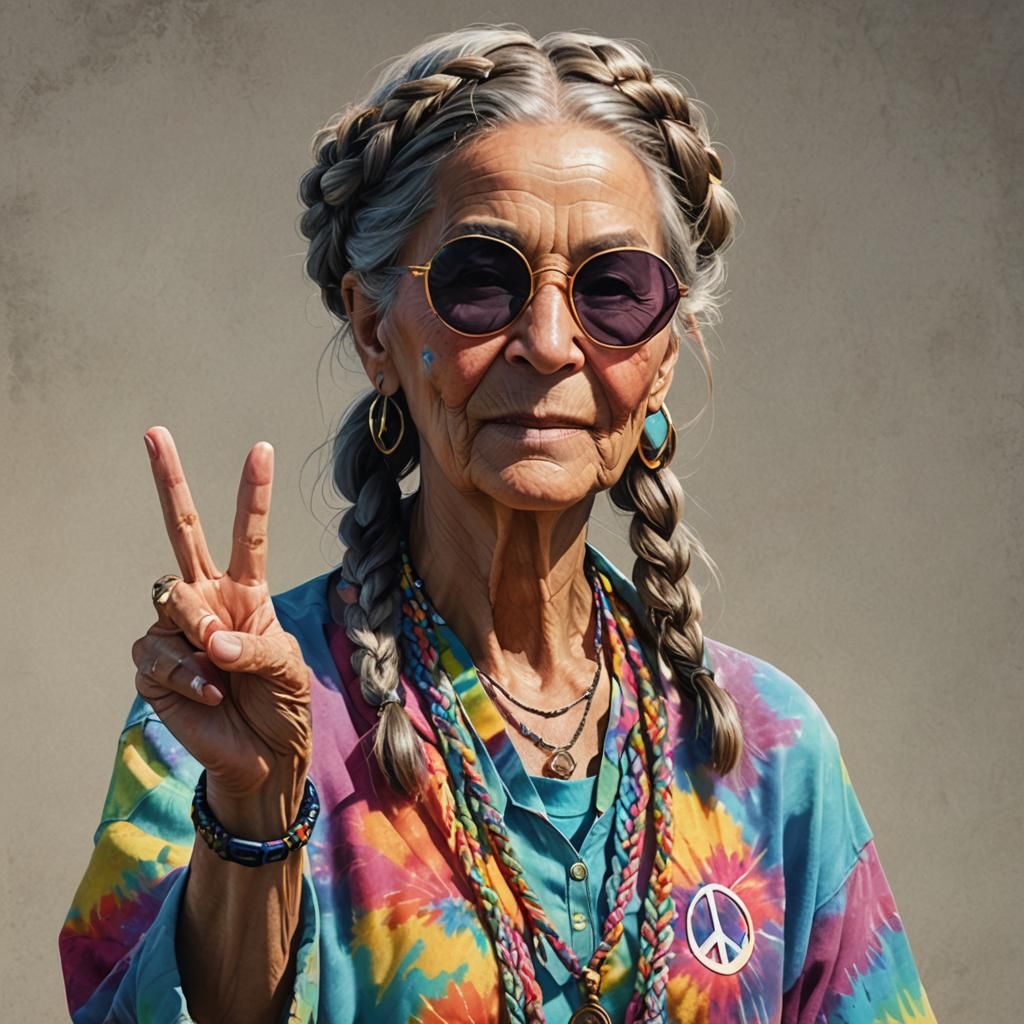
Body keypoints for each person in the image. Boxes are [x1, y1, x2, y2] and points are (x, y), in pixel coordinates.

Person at [58, 23, 938, 1024]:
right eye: (482, 279)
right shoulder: (233, 714)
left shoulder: (765, 752)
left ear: (664, 350)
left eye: (613, 290)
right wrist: (255, 811)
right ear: (373, 326)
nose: (551, 342)